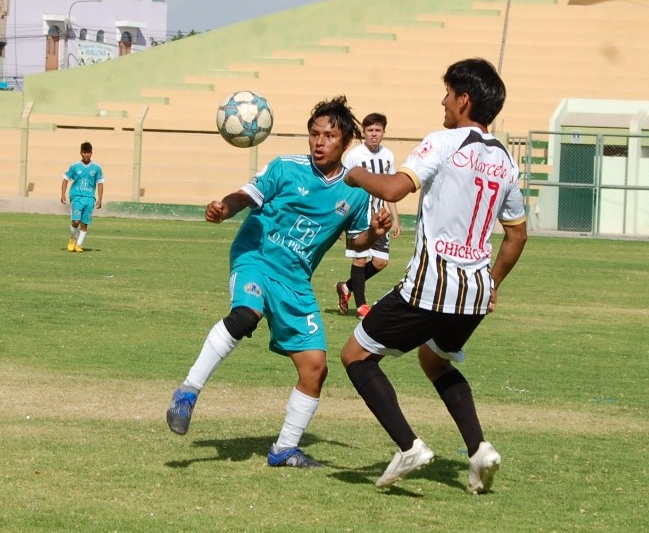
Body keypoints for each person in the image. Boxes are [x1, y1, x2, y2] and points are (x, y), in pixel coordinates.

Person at [166, 96, 392, 468]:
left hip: (296, 280)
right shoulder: (286, 167)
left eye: (329, 136)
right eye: (314, 134)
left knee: (315, 367)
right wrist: (224, 208)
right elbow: (245, 195)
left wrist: (374, 233)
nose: (319, 142)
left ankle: (284, 449)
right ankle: (188, 392)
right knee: (246, 315)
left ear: (346, 142)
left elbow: (355, 244)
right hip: (256, 256)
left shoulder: (354, 192)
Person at [339, 58, 528, 493]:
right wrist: (493, 284)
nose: (443, 100)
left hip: (431, 285)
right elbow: (517, 236)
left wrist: (354, 173)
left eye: (448, 93)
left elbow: (393, 189)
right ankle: (479, 449)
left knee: (355, 355)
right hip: (474, 293)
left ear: (464, 100)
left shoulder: (443, 142)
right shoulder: (506, 161)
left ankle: (409, 446)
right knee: (434, 359)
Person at [335, 113, 401, 319]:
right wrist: (340, 220)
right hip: (358, 215)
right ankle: (361, 306)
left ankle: (346, 286)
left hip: (379, 216)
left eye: (377, 130)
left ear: (383, 132)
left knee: (381, 261)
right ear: (364, 132)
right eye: (370, 130)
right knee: (360, 259)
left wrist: (395, 217)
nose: (374, 134)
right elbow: (343, 188)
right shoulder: (355, 155)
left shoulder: (388, 156)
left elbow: (390, 188)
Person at [60, 141, 104, 253]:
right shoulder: (75, 166)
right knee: (76, 221)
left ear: (91, 153)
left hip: (90, 198)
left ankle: (78, 245)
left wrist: (100, 199)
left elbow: (100, 183)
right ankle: (72, 239)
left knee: (84, 224)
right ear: (81, 153)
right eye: (84, 152)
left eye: (88, 152)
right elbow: (65, 179)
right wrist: (63, 194)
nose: (86, 155)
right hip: (76, 196)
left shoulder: (96, 168)